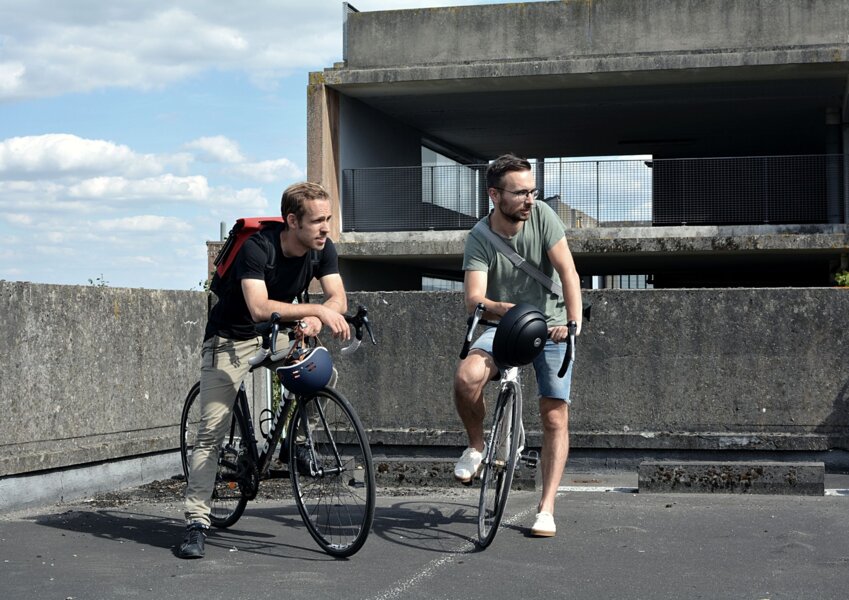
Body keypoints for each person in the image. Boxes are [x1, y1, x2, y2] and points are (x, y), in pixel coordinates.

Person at [178, 181, 351, 559]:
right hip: (231, 339)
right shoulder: (258, 249)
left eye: (329, 220)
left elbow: (337, 297)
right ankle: (196, 522)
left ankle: (293, 444)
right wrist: (315, 310)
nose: (326, 228)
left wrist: (321, 317)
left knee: (320, 371)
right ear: (292, 220)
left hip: (277, 334)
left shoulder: (322, 248)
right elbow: (257, 307)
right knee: (211, 432)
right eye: (318, 221)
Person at [453, 153, 583, 538]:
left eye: (532, 190)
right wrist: (497, 307)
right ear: (495, 195)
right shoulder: (479, 237)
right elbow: (473, 298)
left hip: (551, 324)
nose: (530, 199)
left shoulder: (543, 216)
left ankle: (546, 509)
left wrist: (572, 324)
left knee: (554, 415)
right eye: (520, 192)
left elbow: (568, 271)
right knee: (466, 377)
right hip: (504, 324)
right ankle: (476, 447)